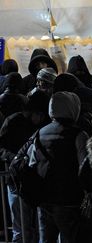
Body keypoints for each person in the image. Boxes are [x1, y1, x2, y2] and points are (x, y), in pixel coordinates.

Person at [36, 91, 88, 243]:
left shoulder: (40, 133)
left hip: (45, 197)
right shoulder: (79, 134)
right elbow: (84, 167)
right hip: (69, 198)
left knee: (46, 238)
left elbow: (34, 163)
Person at [0, 90, 50, 243]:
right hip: (15, 178)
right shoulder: (13, 121)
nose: (40, 118)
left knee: (36, 225)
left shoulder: (43, 123)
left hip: (35, 180)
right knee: (20, 226)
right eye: (38, 114)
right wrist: (15, 159)